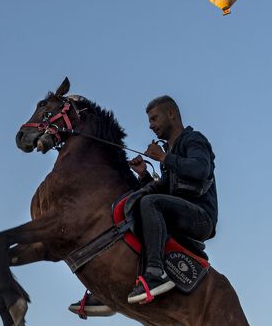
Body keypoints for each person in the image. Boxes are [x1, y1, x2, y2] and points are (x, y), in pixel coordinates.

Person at [69, 95, 218, 314]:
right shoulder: (169, 150)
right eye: (149, 120)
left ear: (171, 114)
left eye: (154, 118)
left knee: (149, 203)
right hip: (177, 211)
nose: (151, 125)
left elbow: (200, 169)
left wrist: (163, 158)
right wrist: (144, 175)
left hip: (200, 218)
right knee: (131, 208)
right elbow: (168, 193)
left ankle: (155, 274)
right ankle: (110, 292)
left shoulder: (193, 140)